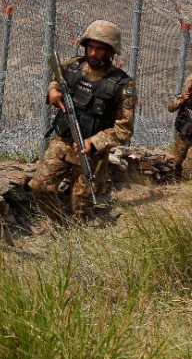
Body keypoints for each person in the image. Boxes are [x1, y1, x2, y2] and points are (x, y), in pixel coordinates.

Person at [29, 20, 136, 222]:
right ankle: (60, 222)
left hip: (92, 153)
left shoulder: (122, 84)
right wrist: (52, 90)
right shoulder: (73, 66)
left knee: (82, 204)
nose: (93, 54)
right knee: (39, 186)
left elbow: (124, 129)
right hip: (64, 140)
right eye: (91, 47)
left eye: (100, 49)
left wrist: (94, 142)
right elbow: (56, 79)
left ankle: (79, 235)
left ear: (111, 52)